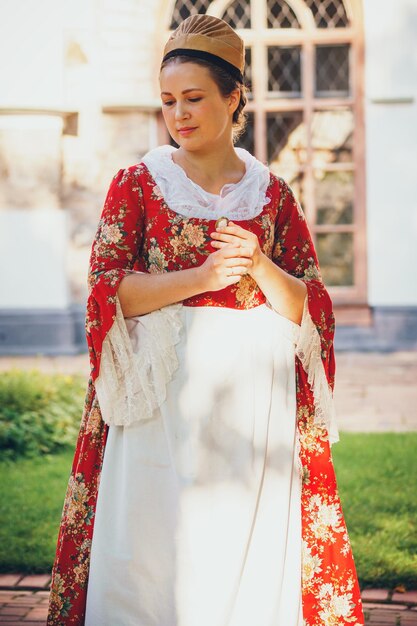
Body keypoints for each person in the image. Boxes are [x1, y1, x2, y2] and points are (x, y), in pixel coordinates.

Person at [47, 14, 364, 626]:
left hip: (255, 398)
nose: (179, 114)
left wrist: (262, 269)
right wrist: (200, 279)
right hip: (161, 395)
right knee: (153, 535)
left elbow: (313, 306)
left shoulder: (273, 194)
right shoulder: (137, 184)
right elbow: (107, 290)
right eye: (168, 101)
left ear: (234, 97)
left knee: (243, 532)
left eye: (194, 98)